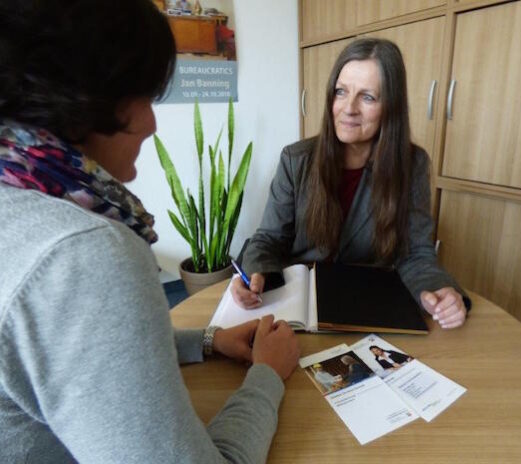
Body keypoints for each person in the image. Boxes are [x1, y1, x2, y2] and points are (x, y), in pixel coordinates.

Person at [0, 1, 299, 463]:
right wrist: (267, 376)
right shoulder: (83, 254)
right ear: (85, 95)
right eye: (141, 95)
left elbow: (64, 363)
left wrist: (206, 340)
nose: (153, 123)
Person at [232, 38, 471, 329]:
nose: (348, 108)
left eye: (368, 97)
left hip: (371, 304)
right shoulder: (296, 159)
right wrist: (255, 273)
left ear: (391, 107)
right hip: (298, 305)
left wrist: (440, 291)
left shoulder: (412, 164)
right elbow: (269, 239)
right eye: (341, 92)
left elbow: (416, 252)